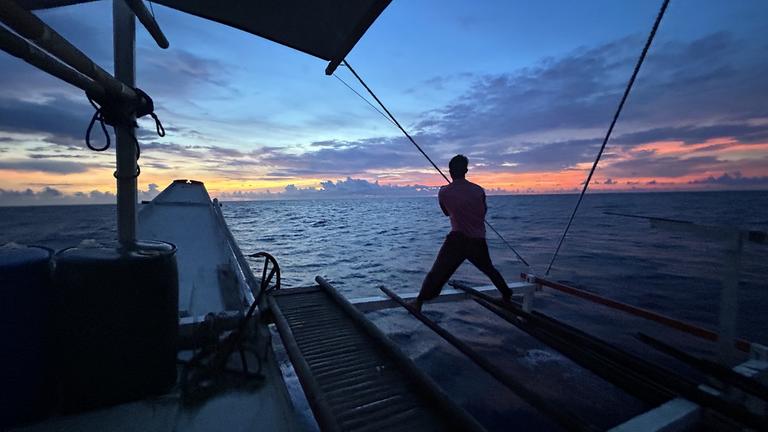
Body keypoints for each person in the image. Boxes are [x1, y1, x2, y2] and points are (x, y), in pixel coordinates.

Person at [413, 154, 512, 312]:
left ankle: (419, 301)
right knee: (489, 269)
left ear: (450, 171)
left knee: (437, 272)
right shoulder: (479, 190)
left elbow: (446, 212)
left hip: (458, 240)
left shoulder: (444, 192)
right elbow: (483, 211)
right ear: (466, 170)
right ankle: (506, 294)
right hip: (478, 240)